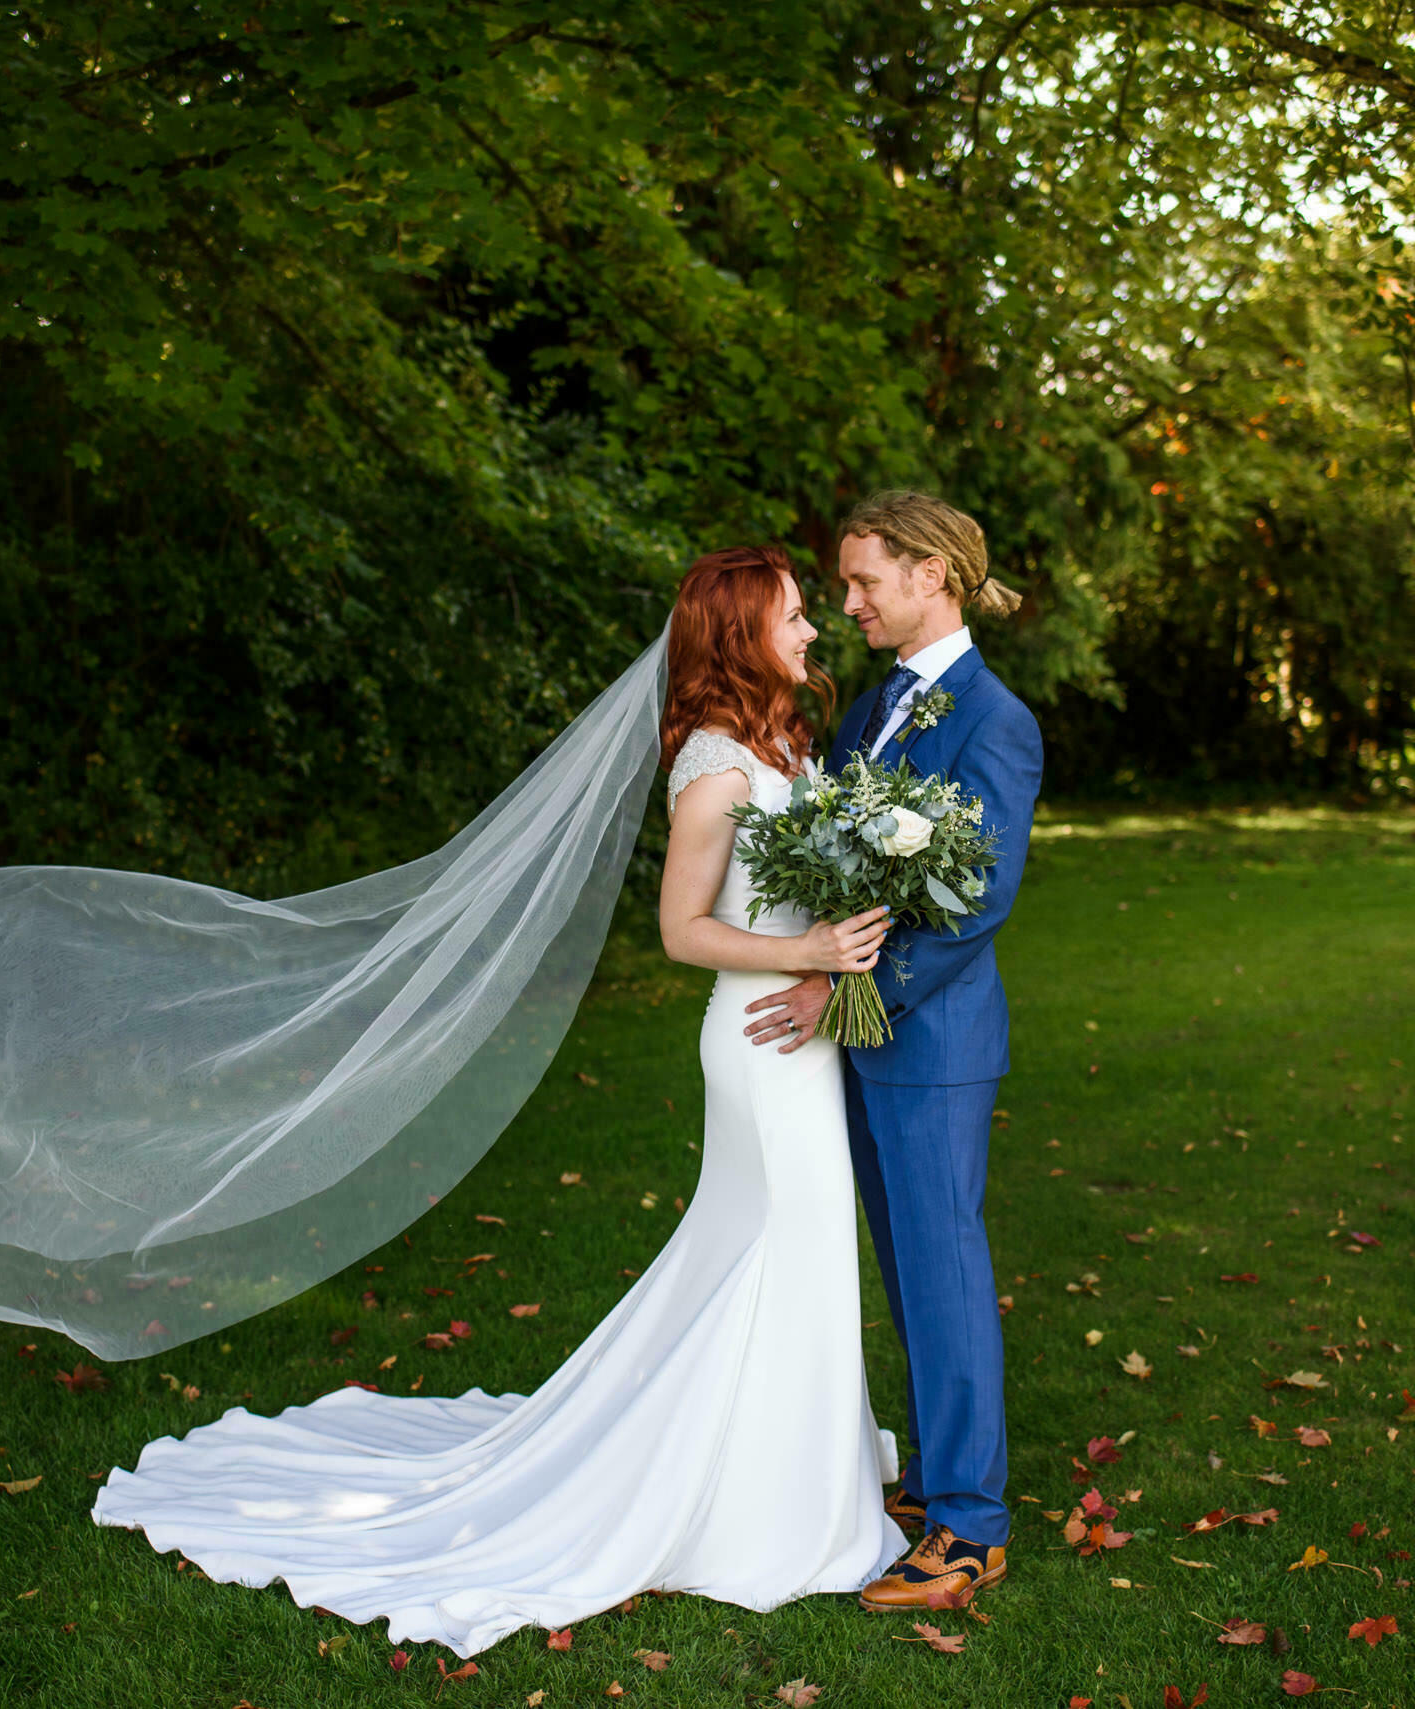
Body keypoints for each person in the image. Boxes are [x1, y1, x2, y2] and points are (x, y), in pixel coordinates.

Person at [89, 545, 904, 1655]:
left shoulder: (784, 743)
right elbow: (681, 930)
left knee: (781, 1249)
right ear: (738, 632)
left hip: (800, 1032)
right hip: (758, 1042)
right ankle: (761, 1503)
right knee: (778, 1240)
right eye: (795, 615)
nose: (812, 630)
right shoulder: (715, 763)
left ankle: (791, 1465)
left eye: (810, 613)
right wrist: (804, 945)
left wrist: (835, 944)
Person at [737, 490, 1042, 1612]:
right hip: (858, 1035)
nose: (849, 600)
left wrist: (848, 992)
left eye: (865, 581)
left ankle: (970, 1525)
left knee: (944, 1268)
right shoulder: (873, 710)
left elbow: (973, 905)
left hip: (934, 1038)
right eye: (847, 583)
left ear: (934, 577)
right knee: (907, 1272)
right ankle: (929, 1475)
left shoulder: (992, 718)